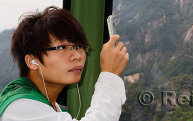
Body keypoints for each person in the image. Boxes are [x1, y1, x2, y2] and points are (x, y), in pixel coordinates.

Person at [0, 6, 129, 121]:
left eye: (79, 46)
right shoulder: (21, 108)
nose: (77, 56)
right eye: (61, 48)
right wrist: (110, 74)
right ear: (32, 61)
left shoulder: (54, 108)